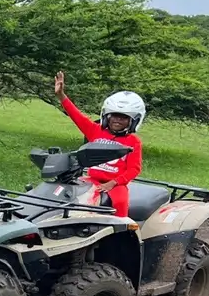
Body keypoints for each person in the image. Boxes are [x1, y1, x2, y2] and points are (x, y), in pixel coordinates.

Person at [53, 71, 145, 219]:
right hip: (91, 179)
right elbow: (77, 116)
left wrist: (113, 183)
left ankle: (120, 234)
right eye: (114, 115)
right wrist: (61, 95)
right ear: (106, 115)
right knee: (64, 190)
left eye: (123, 118)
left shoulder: (133, 141)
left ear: (133, 120)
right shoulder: (96, 131)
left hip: (115, 184)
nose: (117, 120)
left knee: (120, 202)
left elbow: (134, 169)